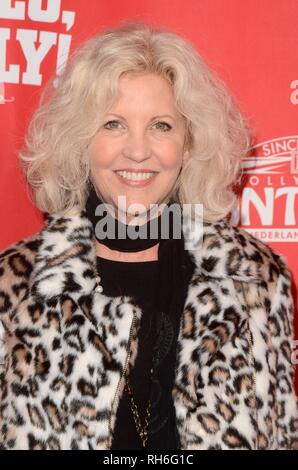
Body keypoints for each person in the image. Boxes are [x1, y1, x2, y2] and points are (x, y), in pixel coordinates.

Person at [0, 19, 297, 451]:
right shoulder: (15, 285)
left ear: (189, 143)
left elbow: (282, 437)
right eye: (113, 124)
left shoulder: (256, 281)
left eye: (161, 125)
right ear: (80, 140)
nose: (138, 151)